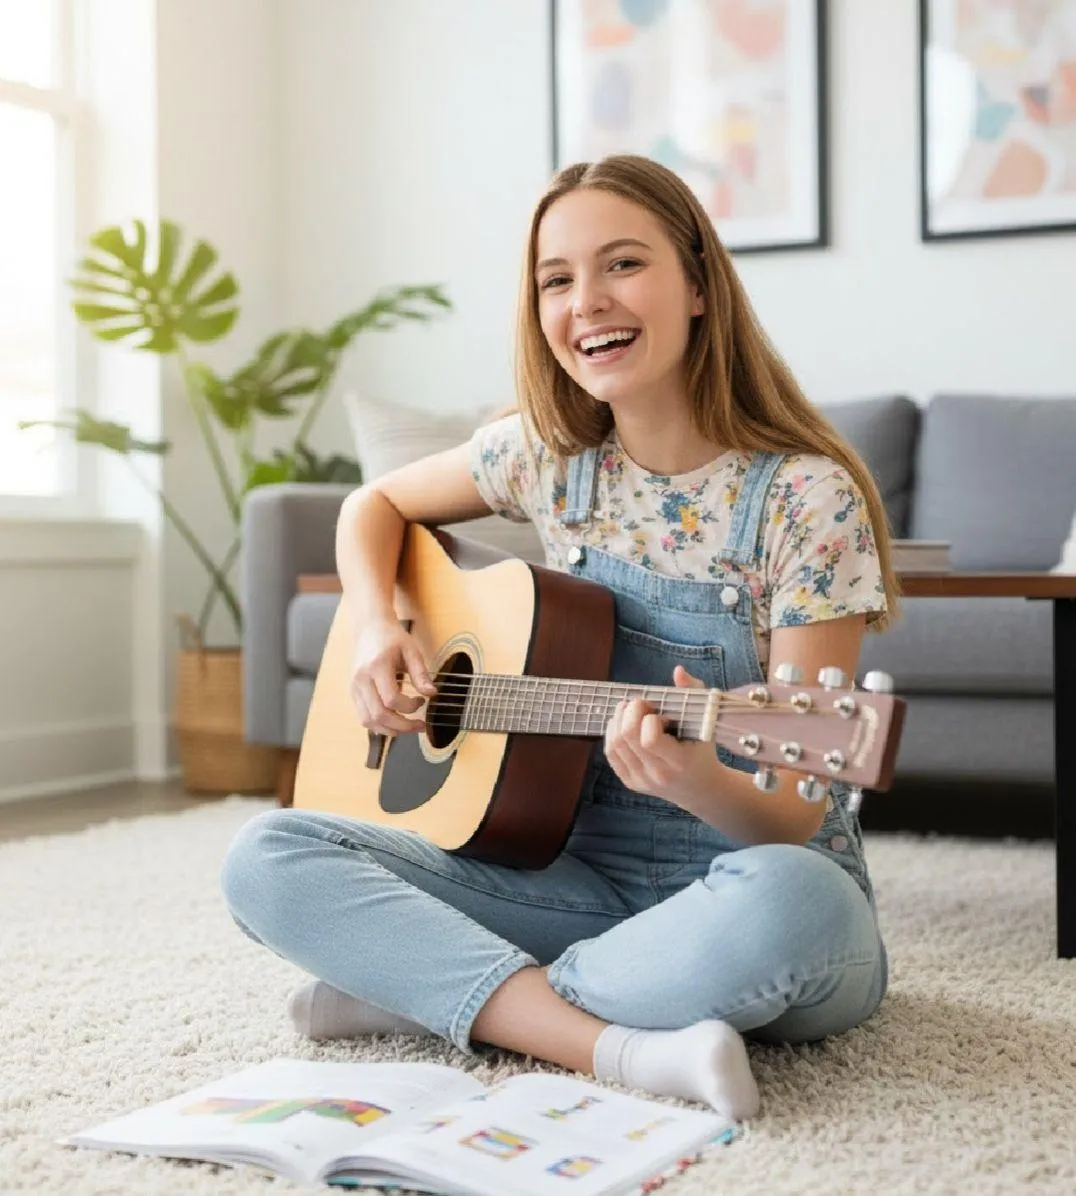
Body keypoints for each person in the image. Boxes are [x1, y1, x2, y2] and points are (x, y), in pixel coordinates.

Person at [221, 154, 900, 1123]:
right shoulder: (548, 458)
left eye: (622, 263)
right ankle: (614, 1042)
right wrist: (377, 622)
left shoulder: (804, 498)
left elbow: (793, 815)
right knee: (267, 853)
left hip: (743, 880)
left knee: (797, 902)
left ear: (697, 284)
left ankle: (438, 991)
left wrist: (693, 778)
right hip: (572, 879)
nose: (586, 302)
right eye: (555, 279)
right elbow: (372, 505)